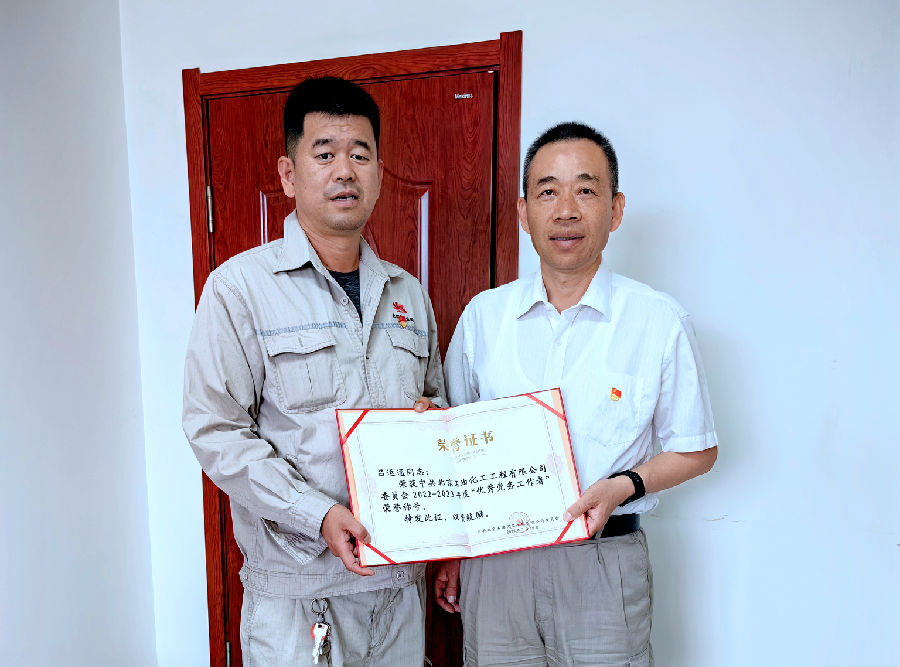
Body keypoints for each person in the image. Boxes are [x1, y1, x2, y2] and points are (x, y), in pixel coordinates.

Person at [183, 76, 446, 666]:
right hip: (299, 599)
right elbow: (214, 429)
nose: (344, 171)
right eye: (324, 154)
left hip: (398, 591)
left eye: (360, 155)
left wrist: (435, 424)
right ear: (288, 174)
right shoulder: (239, 289)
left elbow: (436, 404)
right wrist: (317, 514)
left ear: (379, 172)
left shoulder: (407, 293)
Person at [433, 122, 718, 666]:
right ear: (523, 213)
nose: (566, 210)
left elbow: (698, 449)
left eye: (585, 190)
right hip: (496, 565)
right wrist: (450, 551)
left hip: (603, 564)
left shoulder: (657, 320)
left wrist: (623, 486)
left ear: (615, 209)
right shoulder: (484, 318)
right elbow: (451, 439)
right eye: (548, 192)